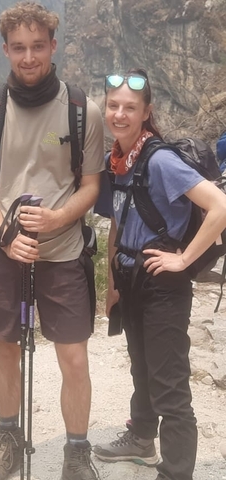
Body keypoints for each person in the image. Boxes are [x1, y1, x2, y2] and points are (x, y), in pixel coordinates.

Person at [0, 2, 105, 480]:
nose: (28, 58)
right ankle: (9, 441)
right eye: (19, 48)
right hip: (7, 252)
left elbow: (90, 185)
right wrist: (6, 236)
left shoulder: (82, 111)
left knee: (73, 354)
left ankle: (76, 453)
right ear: (6, 50)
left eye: (37, 47)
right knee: (6, 347)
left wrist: (58, 218)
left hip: (64, 252)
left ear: (53, 46)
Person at [93, 68, 226, 480]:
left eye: (130, 107)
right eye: (113, 106)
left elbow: (220, 205)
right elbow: (117, 223)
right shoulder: (117, 160)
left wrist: (184, 260)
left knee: (168, 382)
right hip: (132, 278)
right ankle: (141, 438)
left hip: (164, 283)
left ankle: (176, 471)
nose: (119, 114)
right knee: (141, 367)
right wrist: (112, 286)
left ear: (146, 112)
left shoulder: (161, 160)